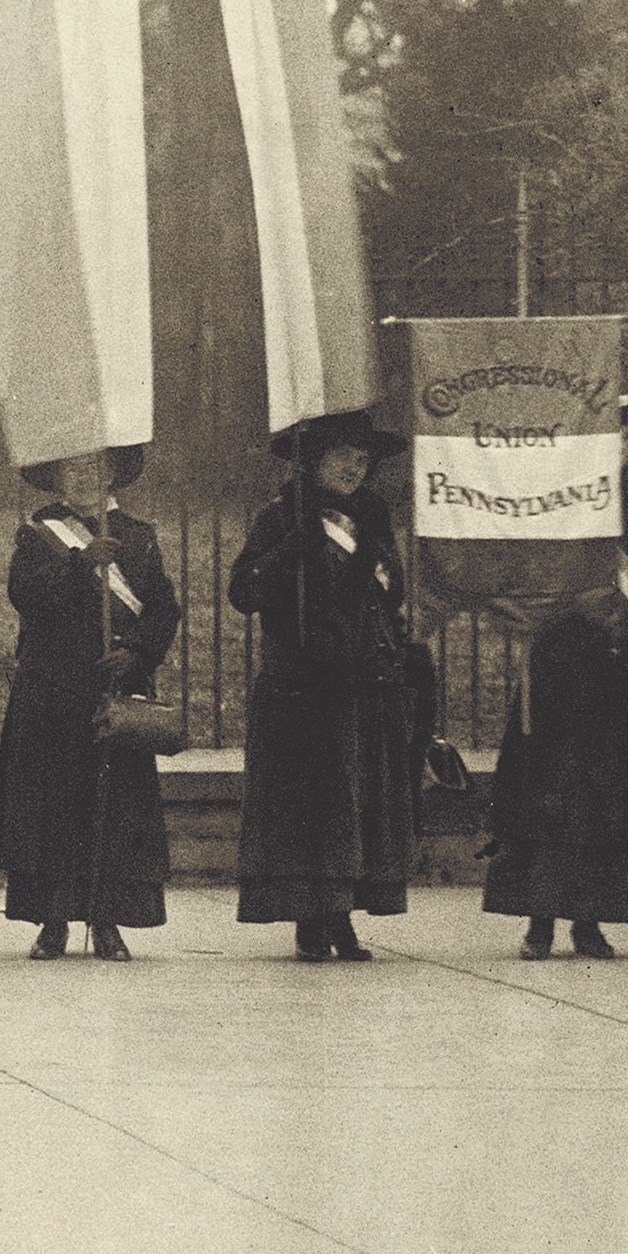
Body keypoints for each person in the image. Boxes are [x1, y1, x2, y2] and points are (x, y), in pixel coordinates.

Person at [484, 397, 628, 960]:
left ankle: (590, 920)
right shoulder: (554, 508)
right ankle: (539, 920)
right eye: (611, 435)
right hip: (561, 678)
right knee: (551, 799)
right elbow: (516, 583)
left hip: (622, 682)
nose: (622, 446)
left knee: (609, 802)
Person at [230, 409, 414, 961]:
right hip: (300, 685)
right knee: (309, 810)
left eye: (363, 460)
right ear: (313, 462)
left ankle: (345, 914)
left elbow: (392, 591)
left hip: (362, 682)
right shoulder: (280, 516)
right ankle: (312, 919)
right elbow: (245, 591)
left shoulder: (373, 517)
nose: (355, 468)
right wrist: (300, 543)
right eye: (343, 457)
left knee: (354, 806)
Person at [0, 445, 177, 960]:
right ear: (56, 476)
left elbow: (163, 607)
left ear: (114, 474)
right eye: (72, 468)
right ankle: (53, 922)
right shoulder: (37, 534)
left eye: (96, 468)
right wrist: (78, 566)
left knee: (115, 810)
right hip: (52, 690)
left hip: (115, 686)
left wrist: (138, 653)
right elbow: (24, 596)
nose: (85, 478)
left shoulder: (138, 534)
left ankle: (108, 921)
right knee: (53, 810)